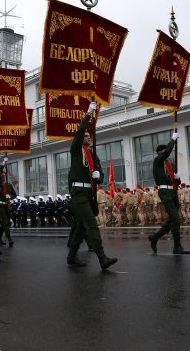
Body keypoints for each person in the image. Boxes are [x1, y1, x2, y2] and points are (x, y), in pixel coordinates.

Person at [67, 101, 117, 270]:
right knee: (91, 224)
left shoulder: (93, 156)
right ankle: (102, 257)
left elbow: (101, 175)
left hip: (89, 193)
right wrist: (88, 114)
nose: (88, 137)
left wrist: (98, 176)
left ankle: (71, 256)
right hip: (78, 192)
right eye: (86, 135)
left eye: (90, 135)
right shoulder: (75, 150)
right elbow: (80, 131)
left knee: (81, 228)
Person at [147, 131, 190, 255]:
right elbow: (167, 152)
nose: (167, 154)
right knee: (176, 219)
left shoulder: (170, 164)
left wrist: (177, 178)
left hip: (173, 191)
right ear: (160, 153)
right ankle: (177, 247)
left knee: (173, 219)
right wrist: (173, 140)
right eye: (164, 152)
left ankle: (155, 237)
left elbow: (177, 181)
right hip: (164, 191)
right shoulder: (158, 161)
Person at [0, 160, 17, 247]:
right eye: (2, 175)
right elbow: (0, 172)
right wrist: (4, 164)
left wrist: (10, 197)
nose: (3, 176)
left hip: (7, 205)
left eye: (4, 175)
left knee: (6, 223)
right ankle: (9, 239)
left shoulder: (9, 185)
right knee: (5, 222)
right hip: (0, 205)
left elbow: (14, 195)